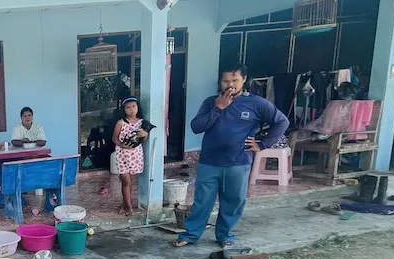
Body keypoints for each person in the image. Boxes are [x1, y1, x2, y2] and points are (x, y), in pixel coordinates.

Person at [175, 66, 289, 248]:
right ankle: (190, 235)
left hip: (238, 162)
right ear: (220, 82)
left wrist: (263, 144)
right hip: (209, 162)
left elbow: (282, 122)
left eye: (234, 81)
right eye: (226, 81)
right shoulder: (211, 102)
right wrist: (218, 109)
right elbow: (196, 126)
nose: (230, 85)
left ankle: (225, 236)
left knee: (233, 201)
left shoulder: (256, 103)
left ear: (244, 80)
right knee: (202, 201)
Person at [112, 98, 151, 216]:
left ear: (138, 107)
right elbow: (114, 138)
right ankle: (129, 207)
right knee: (125, 180)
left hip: (135, 155)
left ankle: (124, 204)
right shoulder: (121, 122)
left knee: (130, 181)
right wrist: (122, 145)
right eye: (128, 107)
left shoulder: (142, 123)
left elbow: (144, 140)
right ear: (124, 110)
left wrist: (145, 134)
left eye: (134, 106)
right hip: (122, 154)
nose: (131, 110)